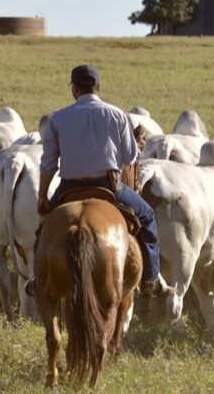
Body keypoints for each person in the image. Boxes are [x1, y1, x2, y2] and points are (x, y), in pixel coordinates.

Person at [25, 64, 170, 298]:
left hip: (69, 187)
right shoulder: (117, 115)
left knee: (44, 229)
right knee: (148, 218)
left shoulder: (58, 119)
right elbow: (129, 158)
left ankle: (37, 277)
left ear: (74, 89)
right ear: (98, 87)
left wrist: (43, 197)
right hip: (110, 186)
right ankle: (151, 279)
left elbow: (49, 164)